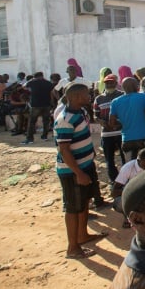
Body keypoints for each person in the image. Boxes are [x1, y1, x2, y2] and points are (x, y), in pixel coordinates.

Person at [54, 83, 106, 259]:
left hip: (86, 165)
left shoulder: (81, 113)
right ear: (76, 97)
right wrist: (78, 173)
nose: (89, 97)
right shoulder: (65, 119)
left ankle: (83, 235)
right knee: (73, 207)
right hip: (71, 171)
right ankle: (72, 248)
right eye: (85, 95)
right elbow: (64, 150)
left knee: (84, 201)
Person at [111, 148, 145, 228]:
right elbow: (114, 192)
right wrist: (132, 191)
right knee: (118, 203)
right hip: (133, 195)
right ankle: (128, 216)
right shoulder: (127, 168)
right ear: (139, 161)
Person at [93, 73, 125, 183]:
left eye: (112, 82)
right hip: (107, 134)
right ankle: (114, 181)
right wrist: (101, 121)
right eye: (107, 83)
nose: (109, 84)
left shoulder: (122, 95)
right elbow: (95, 115)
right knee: (109, 160)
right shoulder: (99, 99)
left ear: (116, 83)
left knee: (124, 157)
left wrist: (120, 123)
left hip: (121, 132)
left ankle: (126, 179)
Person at [22, 71, 54, 144]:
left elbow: (23, 87)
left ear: (34, 77)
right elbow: (52, 92)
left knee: (32, 122)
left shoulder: (32, 82)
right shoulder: (48, 83)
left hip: (35, 105)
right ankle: (44, 136)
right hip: (47, 104)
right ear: (42, 76)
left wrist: (30, 80)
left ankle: (30, 139)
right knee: (46, 121)